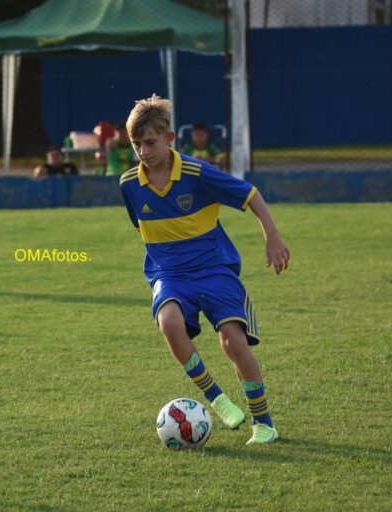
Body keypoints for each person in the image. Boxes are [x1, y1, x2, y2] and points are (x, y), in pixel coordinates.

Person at [119, 95, 290, 445]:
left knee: (234, 342)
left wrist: (272, 235)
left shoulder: (197, 173)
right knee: (168, 323)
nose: (143, 151)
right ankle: (217, 399)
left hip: (214, 271)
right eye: (136, 144)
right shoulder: (129, 185)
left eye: (150, 142)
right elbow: (144, 230)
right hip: (170, 274)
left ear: (169, 139)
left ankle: (264, 423)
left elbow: (250, 194)